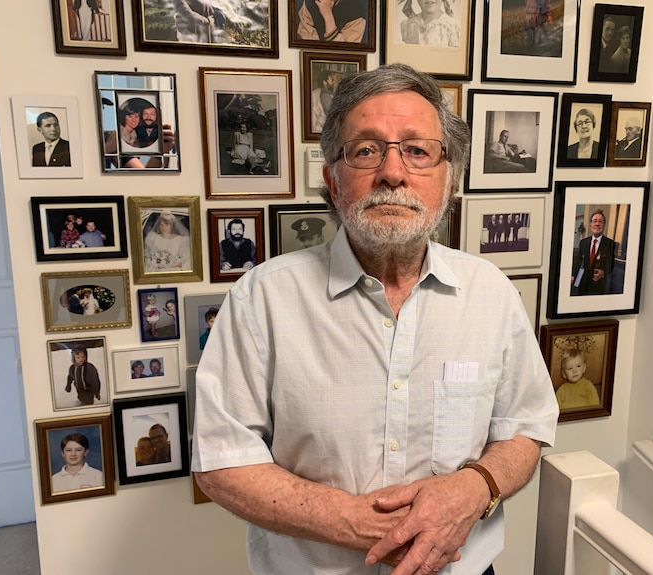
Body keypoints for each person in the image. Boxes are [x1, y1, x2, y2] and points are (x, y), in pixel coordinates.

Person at [192, 63, 558, 575]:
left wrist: (474, 488)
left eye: (417, 150)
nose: (392, 172)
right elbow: (222, 461)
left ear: (449, 179)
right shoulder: (262, 299)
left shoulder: (491, 293)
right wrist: (364, 525)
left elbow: (526, 426)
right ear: (332, 178)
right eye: (366, 150)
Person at [571, 209, 615, 295]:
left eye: (600, 221)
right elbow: (578, 260)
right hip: (583, 282)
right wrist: (573, 275)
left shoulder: (610, 243)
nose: (597, 224)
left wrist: (603, 273)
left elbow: (611, 264)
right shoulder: (583, 242)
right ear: (590, 225)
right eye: (595, 221)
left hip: (598, 284)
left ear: (604, 225)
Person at [296, 0, 368, 44]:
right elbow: (306, 42)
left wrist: (328, 16)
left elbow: (346, 53)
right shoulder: (310, 4)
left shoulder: (356, 12)